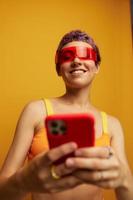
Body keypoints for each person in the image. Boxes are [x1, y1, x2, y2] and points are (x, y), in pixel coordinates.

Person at [0, 30, 133, 200]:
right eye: (67, 56)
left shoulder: (113, 125)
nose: (77, 60)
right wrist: (24, 181)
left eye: (85, 55)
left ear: (97, 66)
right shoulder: (36, 111)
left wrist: (123, 179)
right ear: (58, 69)